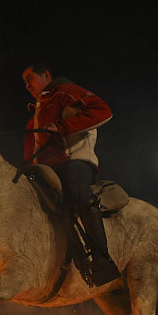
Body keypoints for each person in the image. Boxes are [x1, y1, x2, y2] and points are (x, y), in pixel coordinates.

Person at [22, 62, 119, 285]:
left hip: (74, 162)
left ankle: (101, 259)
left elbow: (103, 111)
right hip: (45, 170)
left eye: (30, 79)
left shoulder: (66, 92)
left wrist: (61, 127)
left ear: (46, 75)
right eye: (24, 82)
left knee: (78, 192)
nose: (27, 85)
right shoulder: (34, 114)